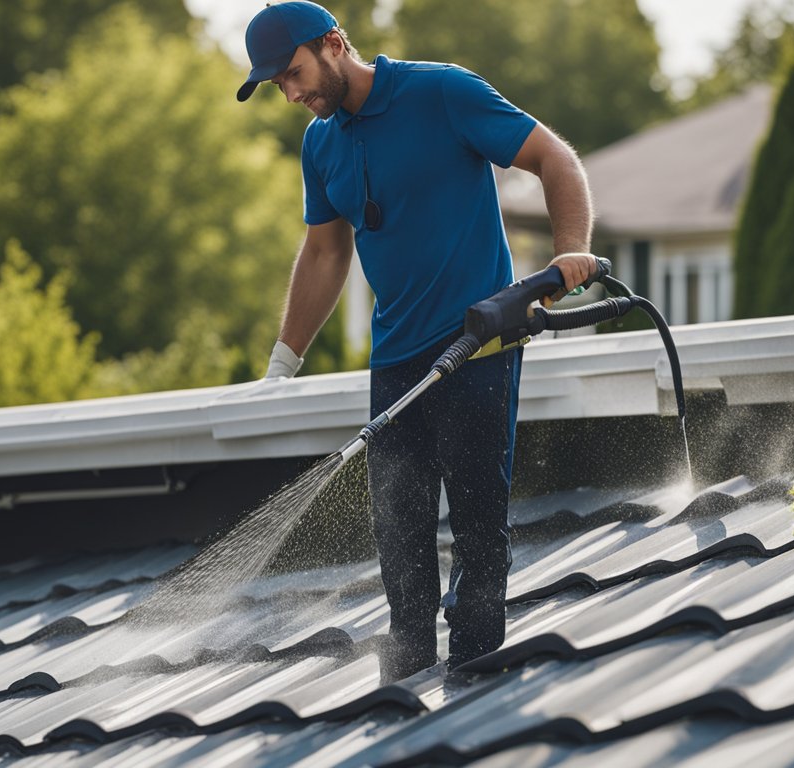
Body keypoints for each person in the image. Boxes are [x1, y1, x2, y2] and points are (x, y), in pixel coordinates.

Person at [237, 1, 596, 683]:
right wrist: (281, 366)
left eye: (292, 73)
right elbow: (323, 252)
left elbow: (554, 158)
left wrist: (570, 254)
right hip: (396, 363)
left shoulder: (442, 93)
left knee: (478, 540)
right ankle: (401, 703)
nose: (290, 93)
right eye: (278, 85)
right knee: (400, 554)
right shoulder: (320, 142)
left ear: (334, 43)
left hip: (478, 347)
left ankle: (473, 695)